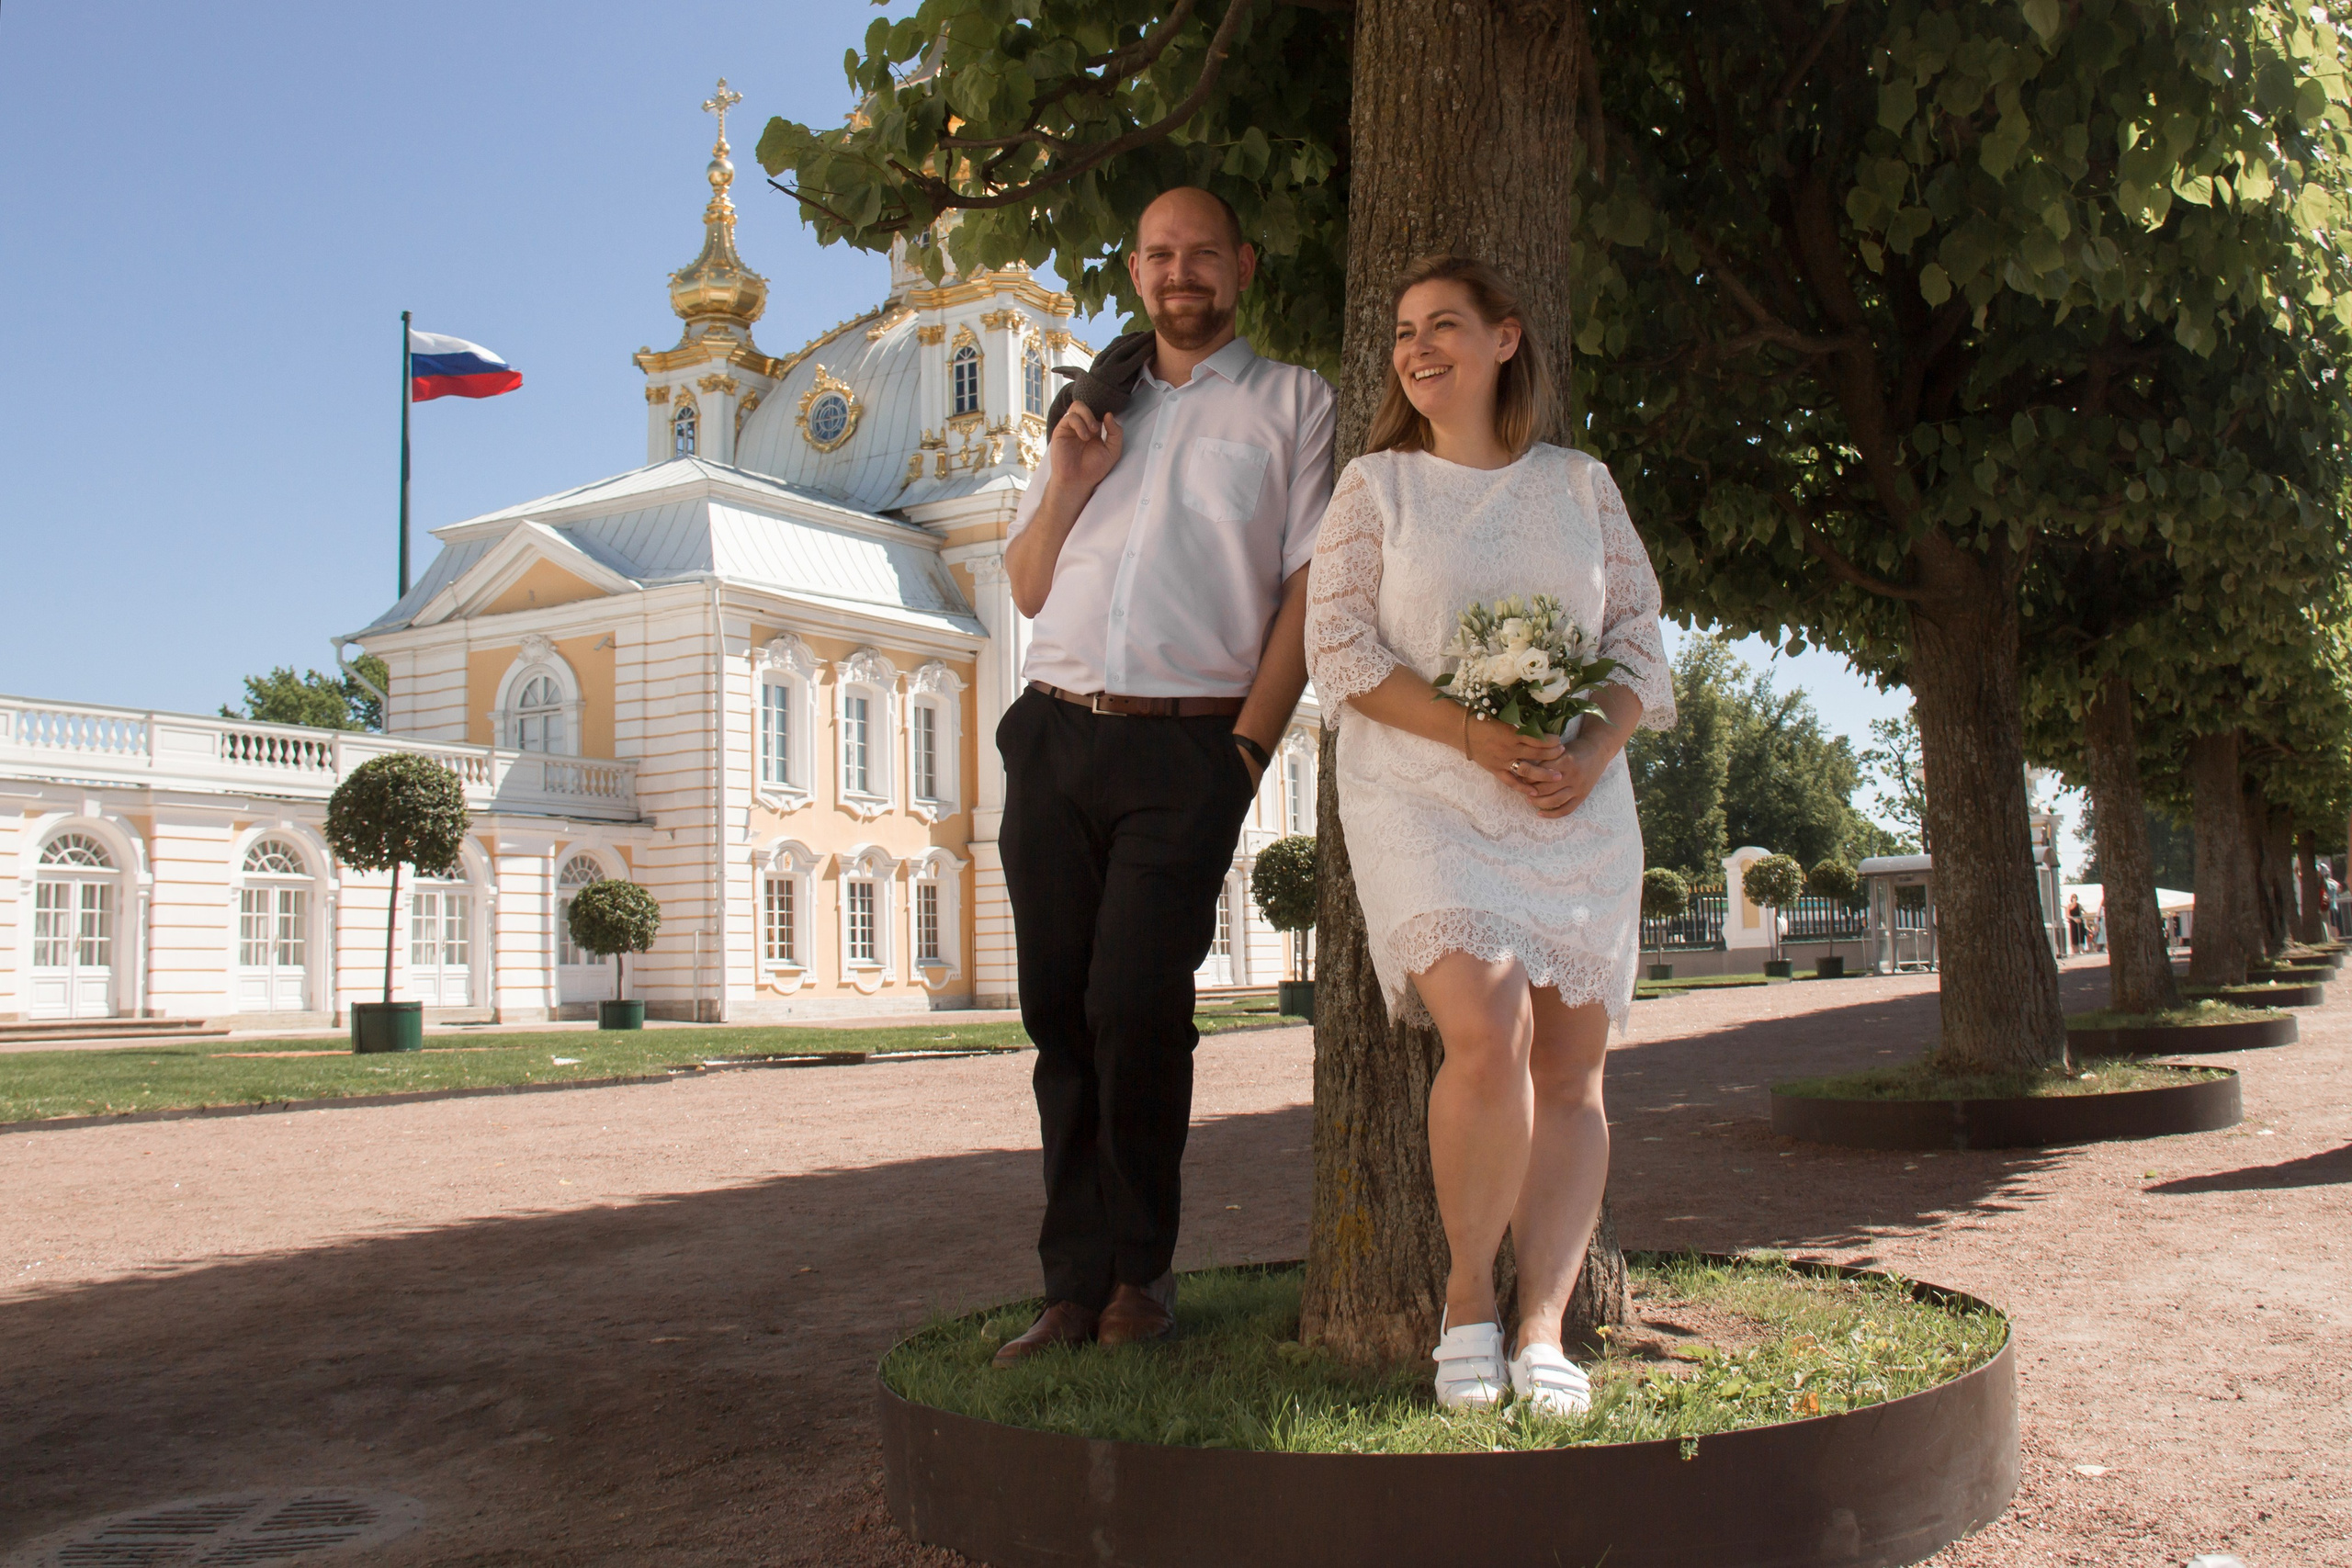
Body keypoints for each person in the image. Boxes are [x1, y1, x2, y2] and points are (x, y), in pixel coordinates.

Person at [1303, 254, 1673, 1415]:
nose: (1417, 349)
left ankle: (1543, 1330)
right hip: (1422, 790)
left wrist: (1589, 750)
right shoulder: (1376, 486)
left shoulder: (1581, 485)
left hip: (1572, 801)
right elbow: (1342, 650)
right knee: (1491, 1020)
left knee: (1571, 1067)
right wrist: (1472, 736)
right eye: (1404, 331)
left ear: (1505, 340)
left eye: (1444, 326)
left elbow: (1637, 640)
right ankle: (1468, 1302)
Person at [989, 187, 1336, 1364]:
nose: (1179, 272)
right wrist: (1072, 480)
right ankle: (1068, 1288)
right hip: (1051, 733)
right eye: (1157, 256)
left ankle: (1141, 1275)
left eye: (1201, 254)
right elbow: (1028, 584)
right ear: (1136, 273)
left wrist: (1245, 751)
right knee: (1058, 1018)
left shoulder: (1293, 403)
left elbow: (1306, 593)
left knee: (1135, 1008)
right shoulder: (1092, 410)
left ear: (1241, 265)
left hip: (1186, 746)